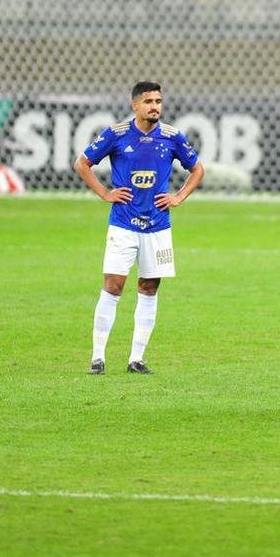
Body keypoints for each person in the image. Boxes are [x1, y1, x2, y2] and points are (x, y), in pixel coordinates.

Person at [74, 81, 205, 375]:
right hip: (122, 224)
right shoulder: (117, 134)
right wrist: (105, 193)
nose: (155, 106)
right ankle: (98, 357)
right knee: (114, 285)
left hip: (158, 226)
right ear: (135, 105)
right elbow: (82, 164)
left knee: (149, 287)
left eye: (158, 101)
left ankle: (136, 359)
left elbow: (197, 169)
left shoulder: (172, 137)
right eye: (148, 101)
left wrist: (179, 196)